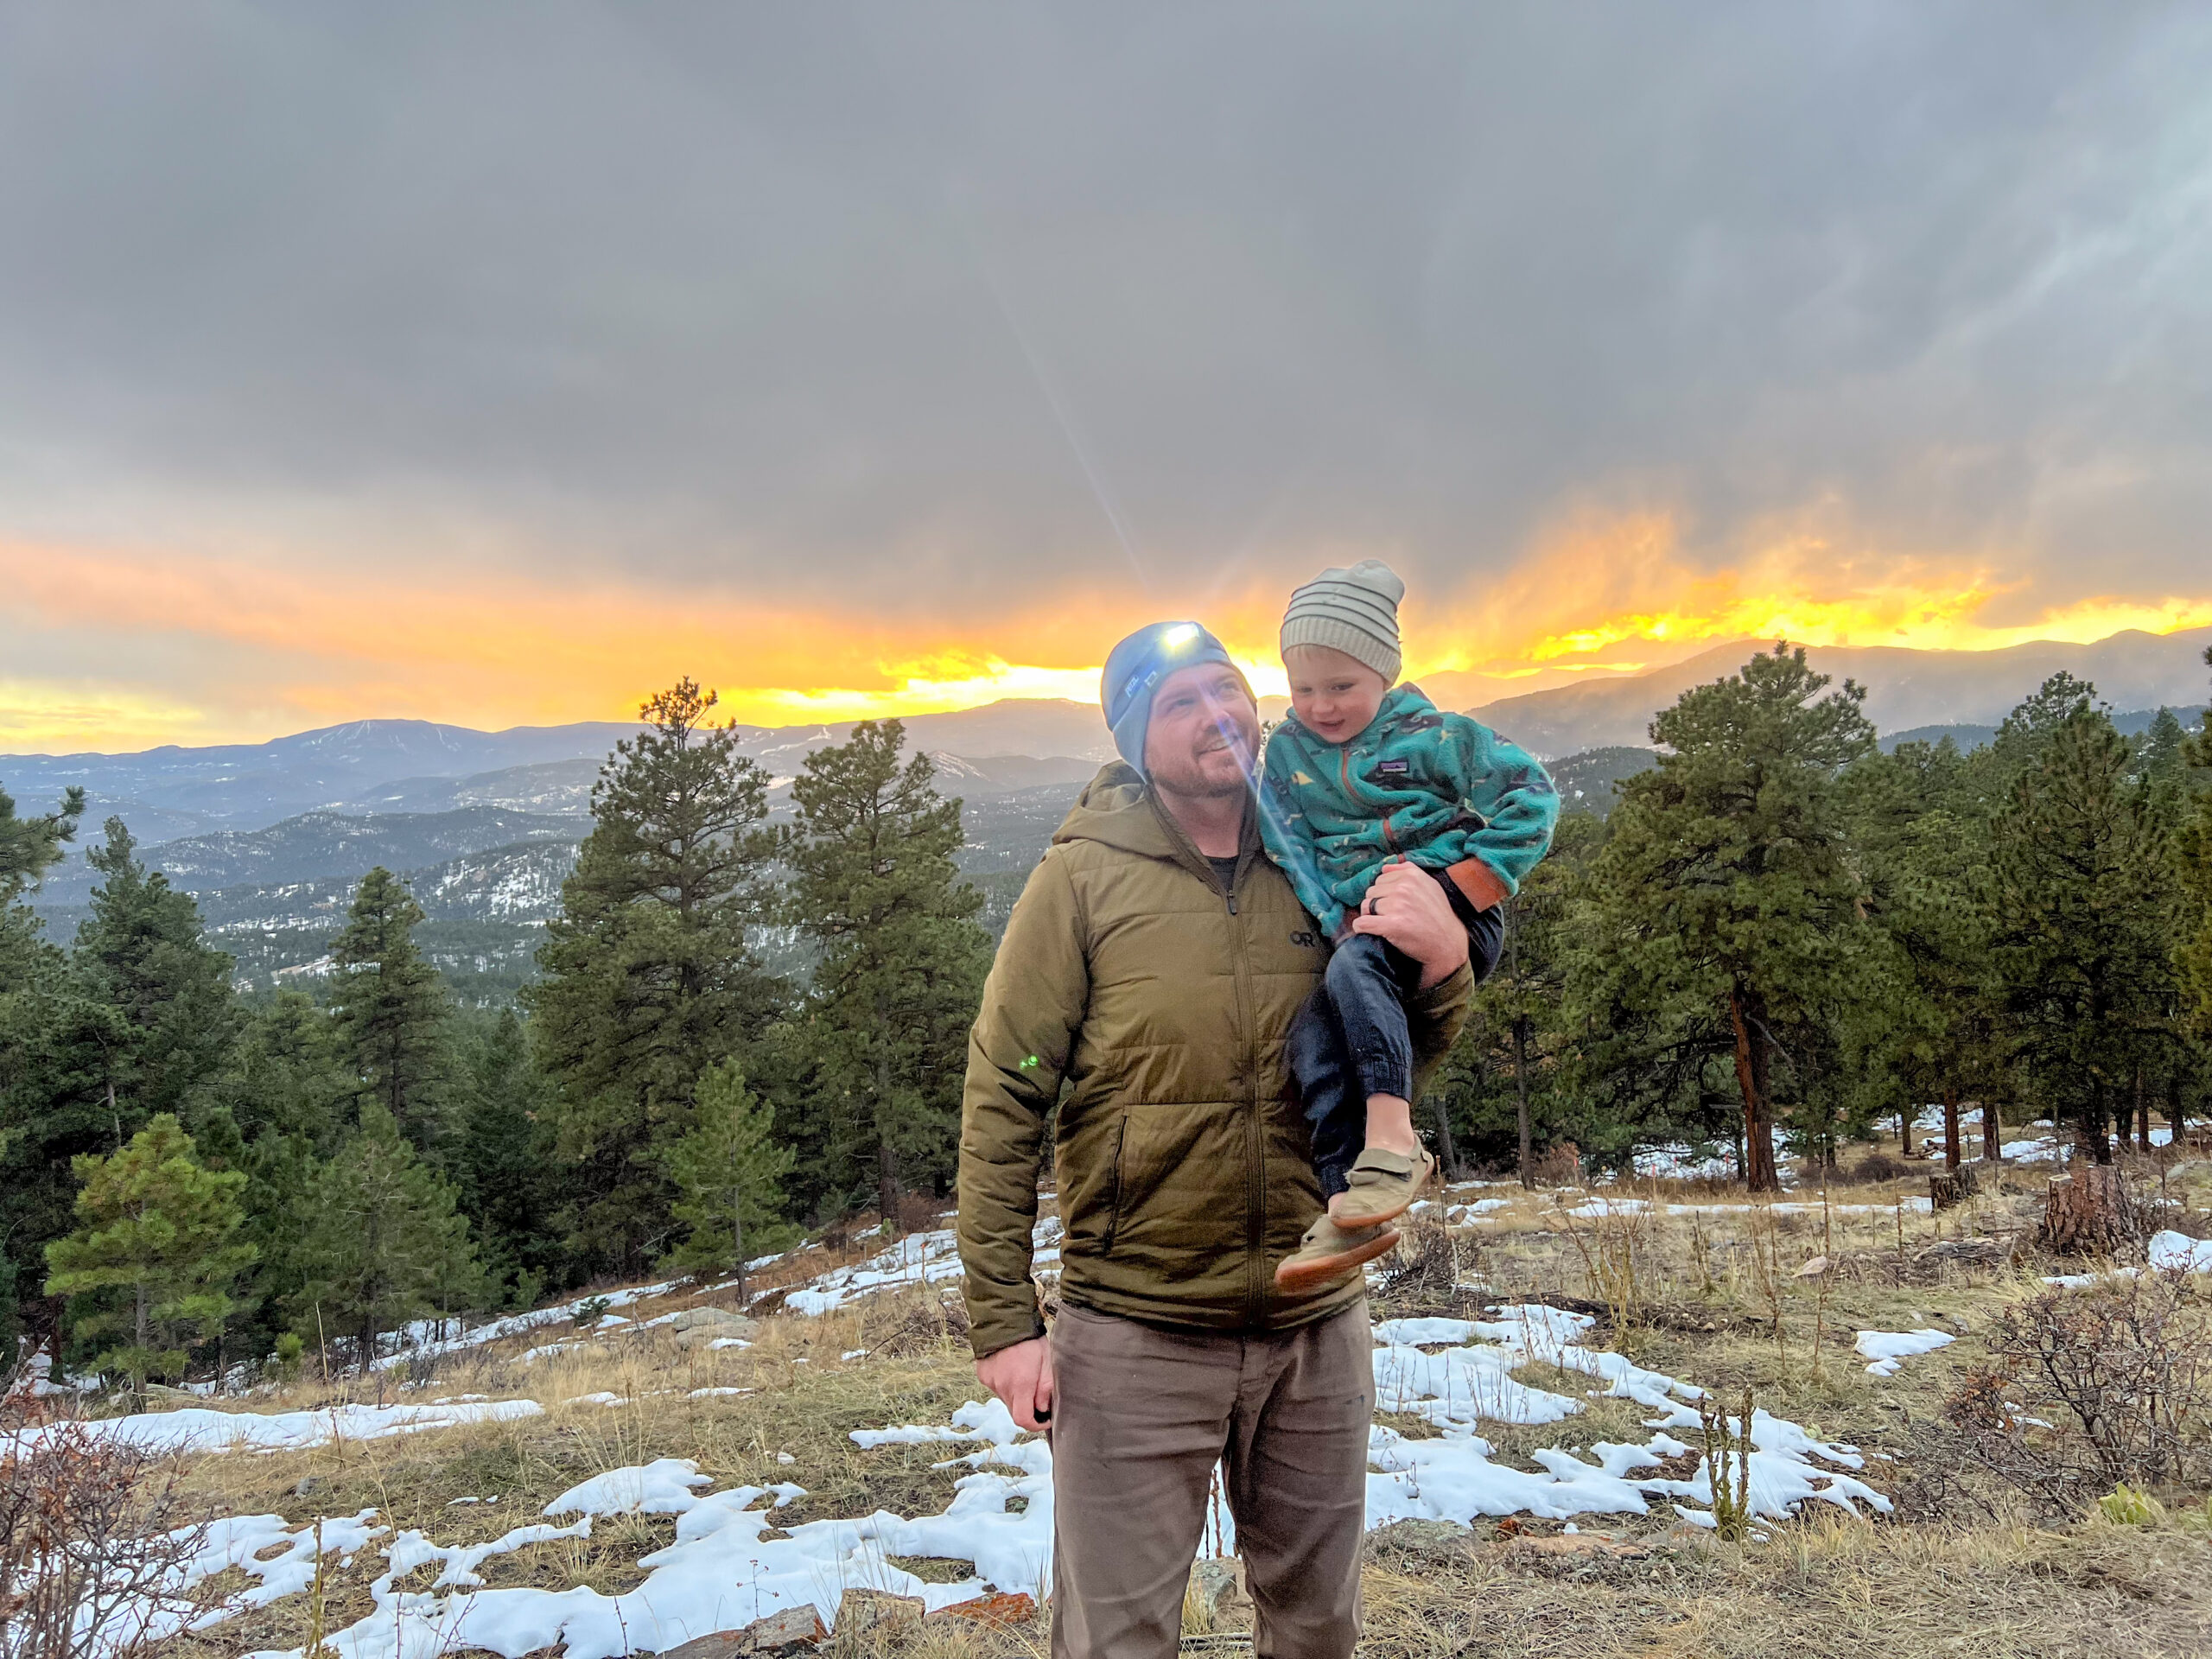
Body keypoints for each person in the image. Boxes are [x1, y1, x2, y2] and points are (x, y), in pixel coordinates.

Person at [957, 619, 1474, 1659]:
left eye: (1228, 692)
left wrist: (1448, 966)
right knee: (1119, 1635)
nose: (1217, 718)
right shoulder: (1083, 878)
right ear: (1131, 737)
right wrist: (1005, 1324)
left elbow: (1399, 1043)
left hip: (1314, 1318)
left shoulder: (1320, 848)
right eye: (1180, 703)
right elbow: (1004, 1096)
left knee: (1318, 1623)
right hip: (1134, 1328)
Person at [1259, 561, 1559, 1289]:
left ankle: (1394, 1140)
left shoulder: (1434, 737)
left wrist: (1464, 886)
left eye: (1342, 687)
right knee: (1311, 1037)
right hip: (1361, 924)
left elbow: (1533, 796)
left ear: (1383, 675)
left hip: (1452, 903)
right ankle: (1346, 1205)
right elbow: (1285, 839)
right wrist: (1337, 918)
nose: (1320, 707)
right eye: (1303, 689)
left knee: (1353, 972)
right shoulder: (1287, 755)